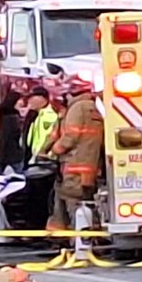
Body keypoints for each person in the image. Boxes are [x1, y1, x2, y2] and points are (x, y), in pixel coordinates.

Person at [47, 78, 103, 230]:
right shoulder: (93, 107)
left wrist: (53, 151)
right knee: (76, 200)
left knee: (73, 202)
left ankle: (79, 239)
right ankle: (62, 234)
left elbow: (70, 138)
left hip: (74, 164)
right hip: (90, 165)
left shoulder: (77, 108)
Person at [24, 87, 59, 159]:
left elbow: (53, 136)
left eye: (32, 97)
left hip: (44, 157)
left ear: (42, 99)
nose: (29, 101)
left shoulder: (49, 115)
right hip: (35, 156)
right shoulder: (35, 114)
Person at [0, 88, 27, 171]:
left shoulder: (0, 115)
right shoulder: (12, 118)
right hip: (13, 156)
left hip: (2, 156)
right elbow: (5, 138)